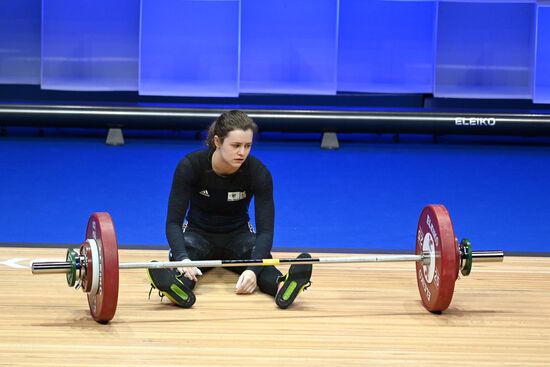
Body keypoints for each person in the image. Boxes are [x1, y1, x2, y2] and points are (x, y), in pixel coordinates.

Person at [147, 110, 312, 309]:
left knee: (261, 261)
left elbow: (266, 230)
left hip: (239, 236)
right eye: (235, 145)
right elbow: (173, 222)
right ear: (217, 142)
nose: (242, 152)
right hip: (196, 235)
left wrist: (252, 270)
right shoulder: (190, 166)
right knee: (187, 265)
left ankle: (282, 286)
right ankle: (177, 286)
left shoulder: (258, 173)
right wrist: (182, 258)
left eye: (248, 146)